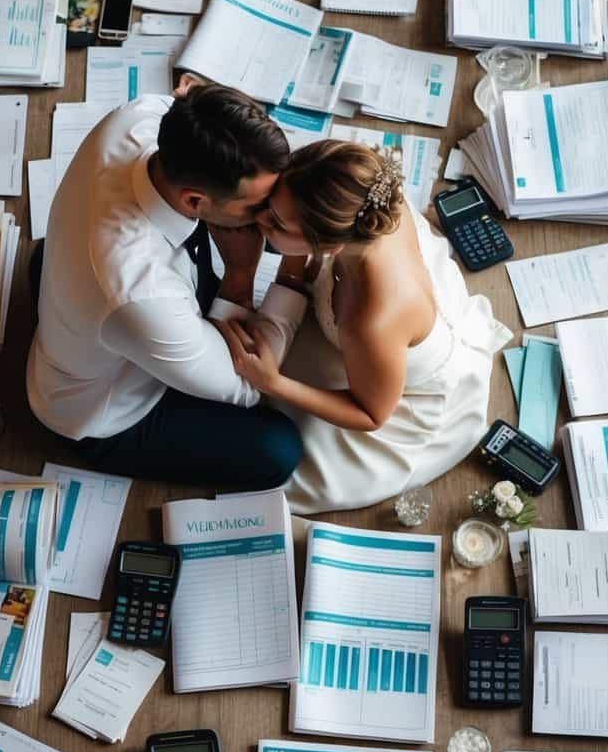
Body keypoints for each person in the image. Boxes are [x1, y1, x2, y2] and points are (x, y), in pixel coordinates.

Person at [26, 80, 306, 487]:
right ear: (194, 201)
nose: (267, 216)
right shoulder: (140, 292)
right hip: (105, 412)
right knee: (278, 451)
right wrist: (246, 274)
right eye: (258, 207)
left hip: (92, 291)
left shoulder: (141, 116)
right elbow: (247, 384)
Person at [218, 140, 511, 514]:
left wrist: (273, 383)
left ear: (328, 244)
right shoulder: (361, 200)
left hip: (394, 390)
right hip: (378, 327)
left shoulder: (371, 318)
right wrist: (291, 267)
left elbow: (372, 416)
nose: (259, 220)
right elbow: (300, 253)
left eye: (275, 222)